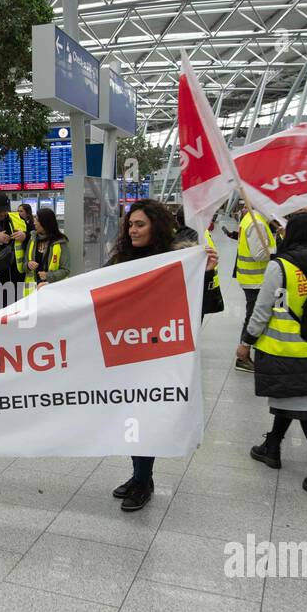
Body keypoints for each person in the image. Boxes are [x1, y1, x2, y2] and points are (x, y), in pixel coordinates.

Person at [241, 211, 307, 496]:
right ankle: (272, 446)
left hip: (285, 348)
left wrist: (247, 340)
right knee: (295, 397)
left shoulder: (282, 265)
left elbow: (262, 308)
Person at [107, 200, 195, 511]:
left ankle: (143, 481)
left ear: (155, 226)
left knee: (145, 419)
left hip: (159, 354)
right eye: (130, 224)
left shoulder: (176, 260)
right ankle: (139, 474)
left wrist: (205, 273)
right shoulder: (121, 258)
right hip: (126, 351)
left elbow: (204, 306)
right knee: (131, 418)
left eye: (140, 224)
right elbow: (93, 290)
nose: (132, 230)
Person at [234, 205, 275, 372]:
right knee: (254, 317)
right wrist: (278, 249)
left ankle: (249, 354)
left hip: (253, 277)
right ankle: (243, 357)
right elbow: (259, 254)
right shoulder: (256, 223)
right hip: (256, 278)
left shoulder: (252, 219)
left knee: (254, 316)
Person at [23, 207, 69, 296]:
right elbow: (25, 264)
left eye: (37, 220)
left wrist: (48, 276)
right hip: (33, 292)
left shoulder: (61, 242)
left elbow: (66, 270)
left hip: (53, 290)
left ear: (46, 223)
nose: (34, 222)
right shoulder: (32, 239)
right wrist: (28, 265)